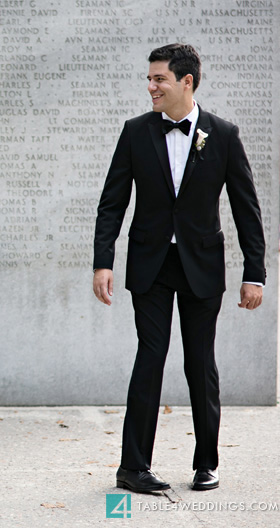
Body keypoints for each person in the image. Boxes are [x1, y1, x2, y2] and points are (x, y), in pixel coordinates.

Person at [93, 44, 266, 494]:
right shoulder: (135, 132)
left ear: (186, 81)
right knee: (149, 357)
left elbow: (247, 209)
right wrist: (103, 262)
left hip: (202, 266)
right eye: (149, 79)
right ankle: (133, 468)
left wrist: (255, 273)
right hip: (150, 263)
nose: (150, 87)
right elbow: (112, 203)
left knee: (199, 362)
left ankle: (206, 463)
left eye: (159, 79)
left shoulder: (223, 135)